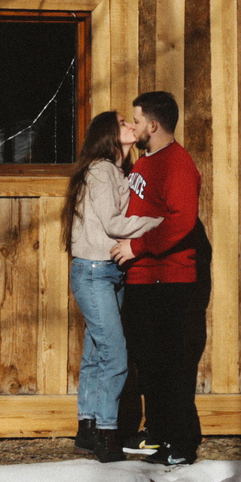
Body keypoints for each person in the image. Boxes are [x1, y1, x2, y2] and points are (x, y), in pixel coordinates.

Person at [109, 88, 205, 467]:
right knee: (149, 363)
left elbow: (181, 221)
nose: (133, 126)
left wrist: (137, 247)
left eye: (136, 120)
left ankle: (180, 444)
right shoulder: (145, 162)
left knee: (169, 364)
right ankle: (157, 433)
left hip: (168, 278)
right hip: (142, 279)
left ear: (153, 124)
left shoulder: (178, 164)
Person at [64, 109, 158, 461]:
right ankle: (106, 436)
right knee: (116, 356)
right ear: (108, 134)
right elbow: (115, 223)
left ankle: (87, 430)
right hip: (94, 271)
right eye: (122, 123)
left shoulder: (117, 171)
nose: (131, 125)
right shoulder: (102, 171)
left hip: (108, 272)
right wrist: (159, 223)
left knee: (95, 353)